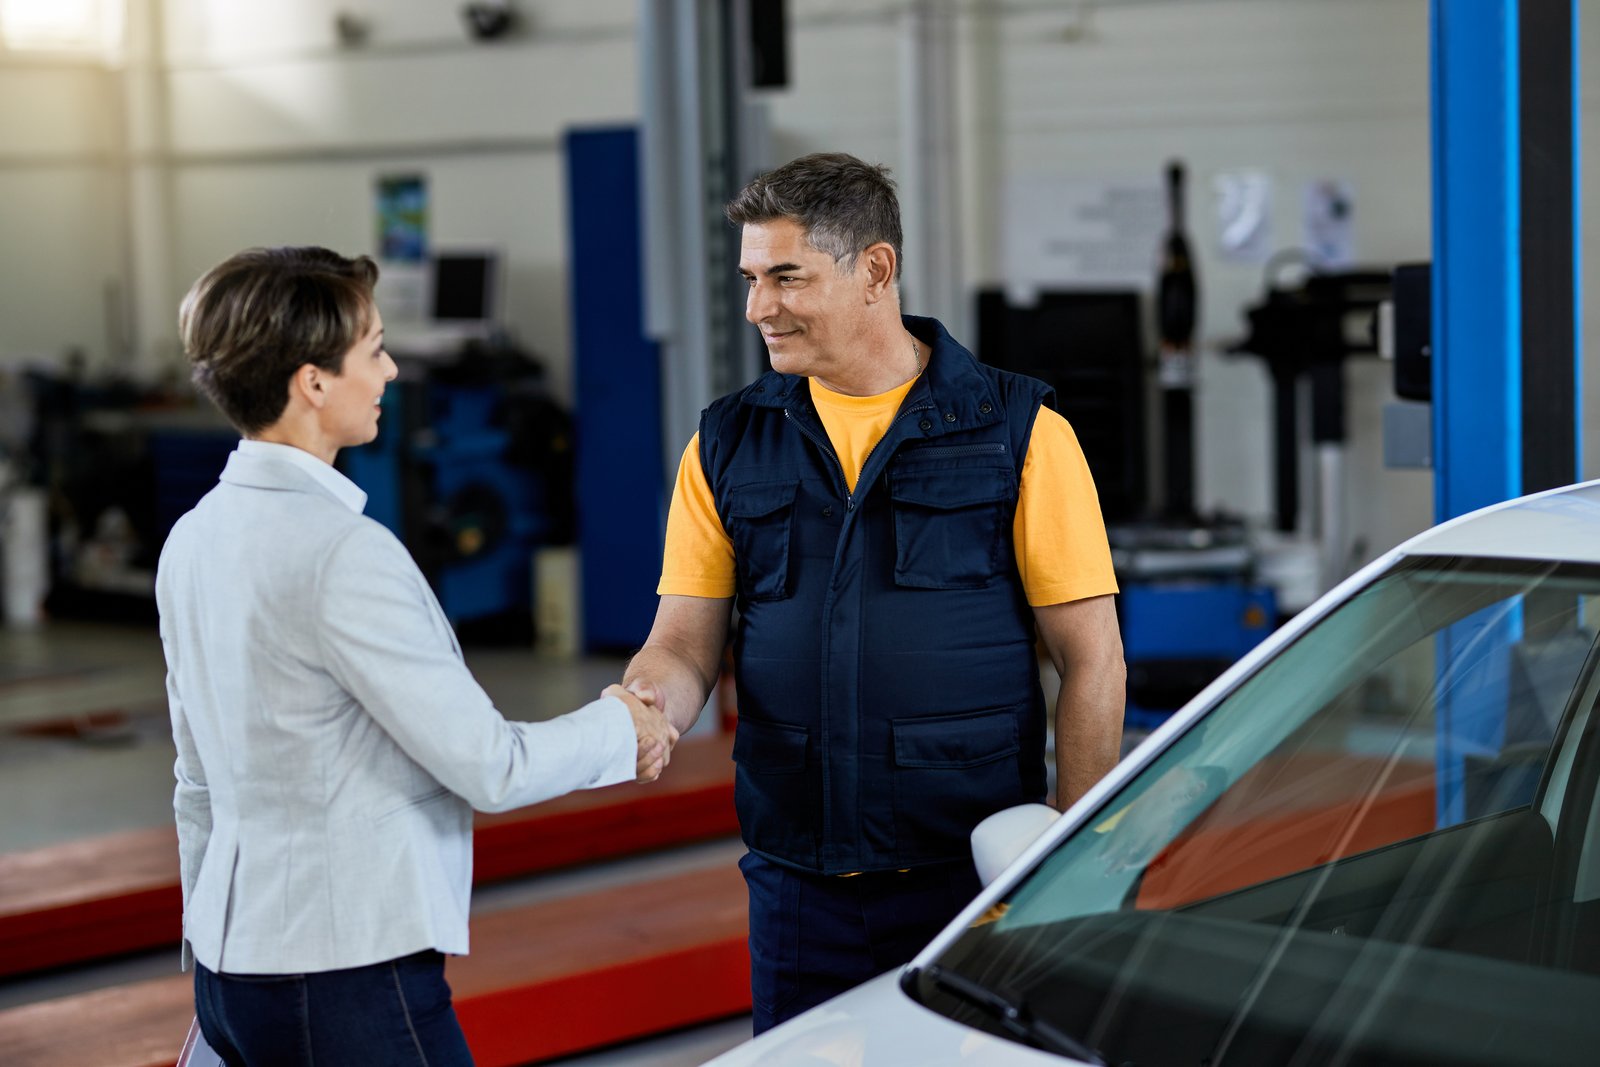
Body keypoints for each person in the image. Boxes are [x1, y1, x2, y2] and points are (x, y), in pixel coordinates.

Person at [623, 152, 1126, 1032]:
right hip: (794, 881)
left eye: (786, 277)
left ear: (876, 271)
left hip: (969, 875)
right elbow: (684, 639)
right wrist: (645, 699)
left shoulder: (1020, 433)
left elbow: (1091, 659)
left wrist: (1070, 856)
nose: (758, 309)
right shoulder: (728, 443)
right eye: (750, 278)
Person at [158, 246, 677, 1066]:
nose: (392, 371)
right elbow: (489, 765)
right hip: (344, 975)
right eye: (374, 350)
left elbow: (196, 780)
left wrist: (219, 951)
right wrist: (624, 727)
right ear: (313, 382)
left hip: (232, 972)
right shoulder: (342, 551)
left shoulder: (192, 537)